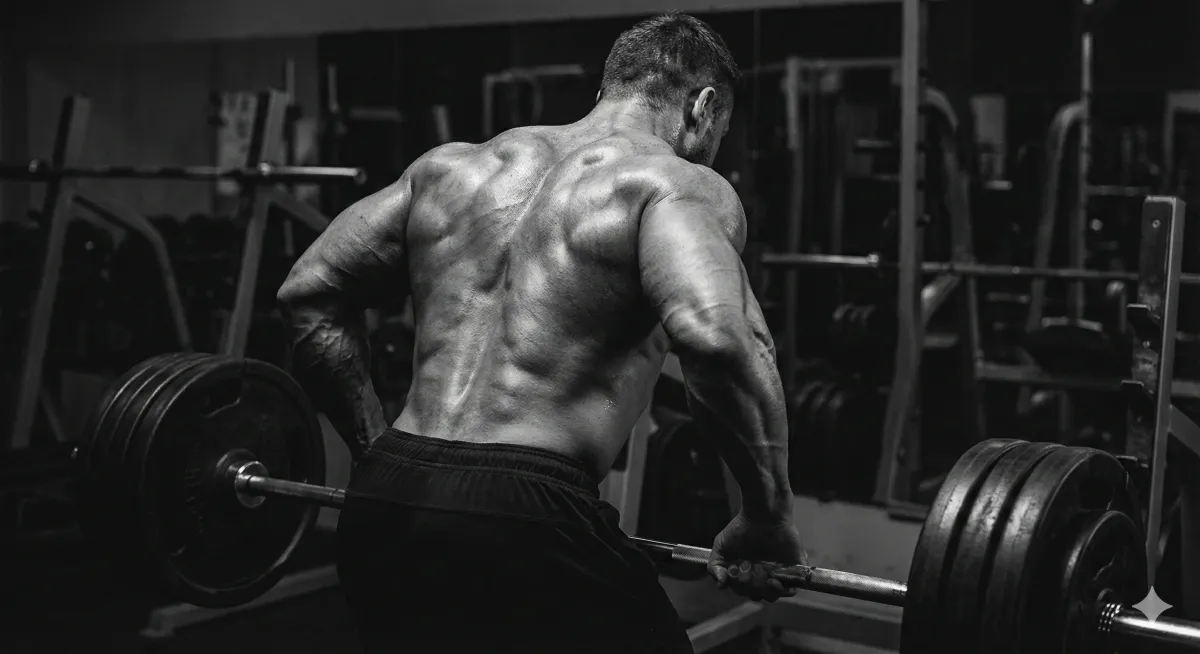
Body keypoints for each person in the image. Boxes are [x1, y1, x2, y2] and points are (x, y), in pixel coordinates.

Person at [277, 11, 805, 653]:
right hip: (528, 518)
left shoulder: (451, 169)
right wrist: (765, 515)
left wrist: (372, 449)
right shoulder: (670, 182)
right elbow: (721, 340)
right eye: (719, 130)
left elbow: (308, 291)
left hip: (384, 502)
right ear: (703, 107)